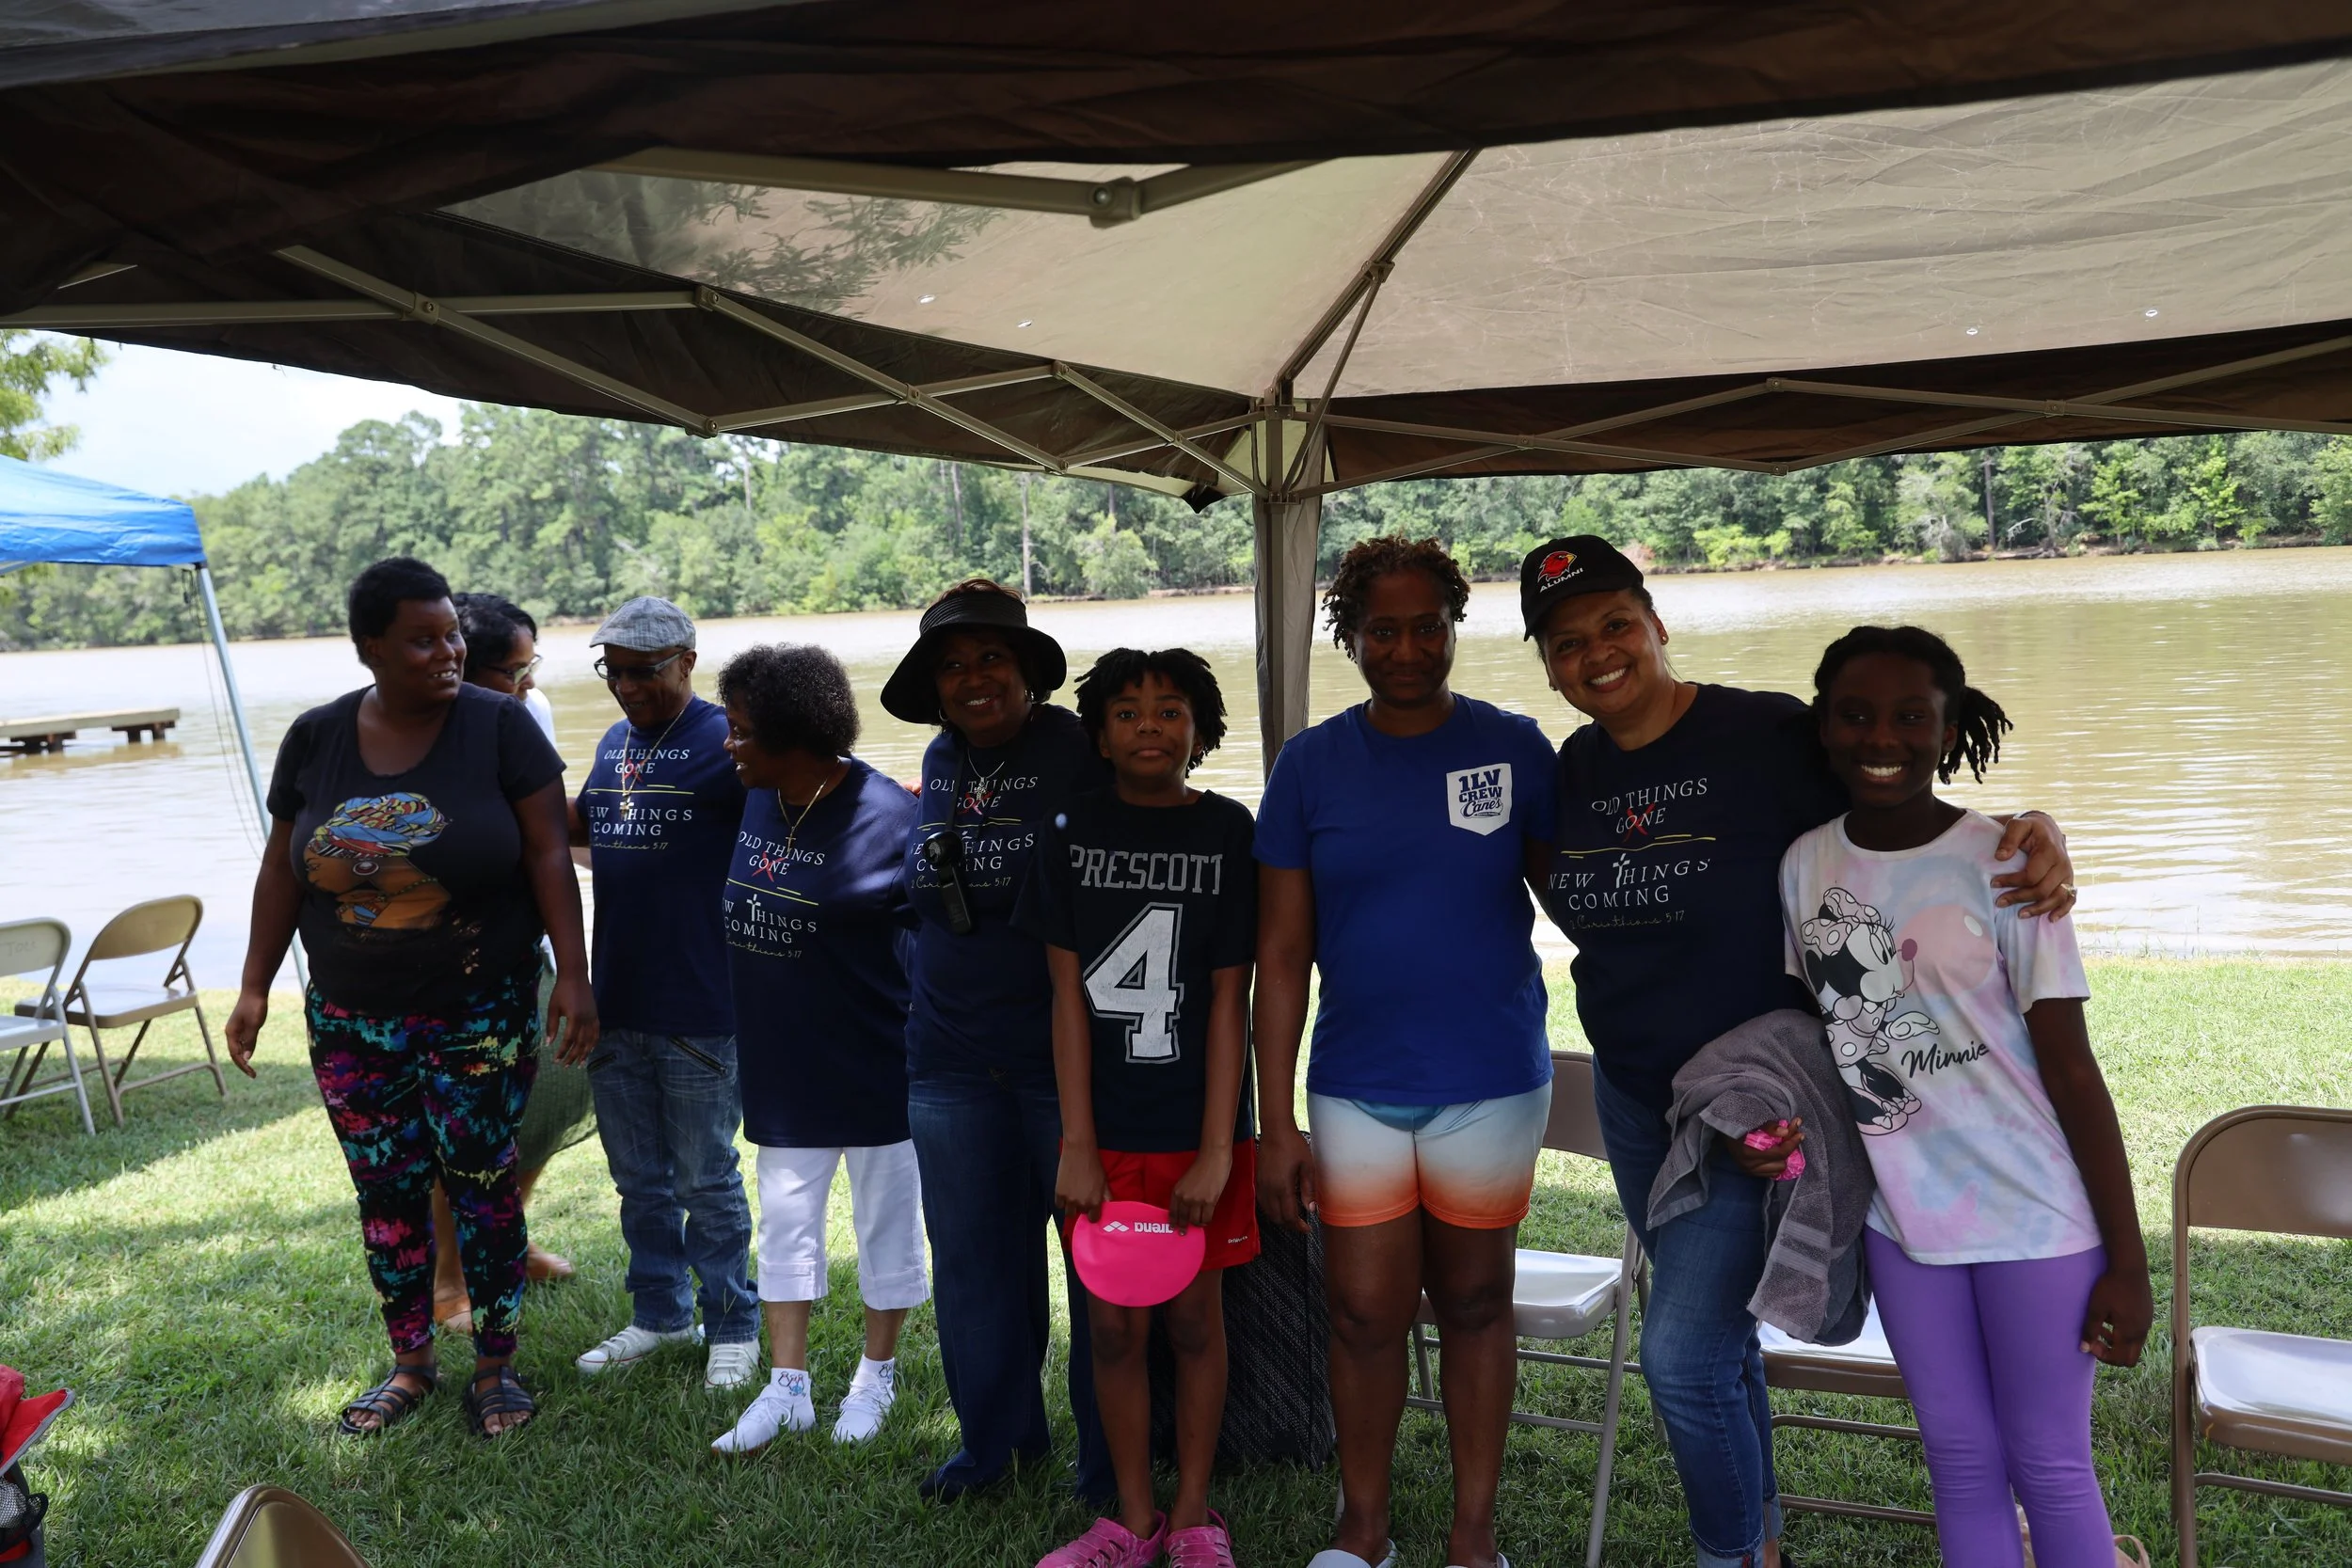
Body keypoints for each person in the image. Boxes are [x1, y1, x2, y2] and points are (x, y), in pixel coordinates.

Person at [1519, 534, 2079, 1568]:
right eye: (1565, 641)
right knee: (1718, 1340)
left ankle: (1732, 1554)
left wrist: (2026, 827)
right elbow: (1572, 893)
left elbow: (1897, 801)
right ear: (1546, 665)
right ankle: (1766, 1538)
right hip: (1642, 1101)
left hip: (1758, 1106)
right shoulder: (1576, 767)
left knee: (1680, 1356)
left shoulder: (1762, 731)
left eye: (1613, 624)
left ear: (1656, 622)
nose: (1596, 652)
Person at [1777, 626, 2148, 1568]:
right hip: (1904, 1225)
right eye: (1855, 714)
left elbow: (2071, 1068)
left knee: (2049, 1459)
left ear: (1947, 730)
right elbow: (1825, 1037)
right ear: (1822, 725)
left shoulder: (2004, 862)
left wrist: (2129, 1262)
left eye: (1911, 716)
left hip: (2037, 1220)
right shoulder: (1803, 864)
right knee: (1956, 1456)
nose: (1881, 737)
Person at [223, 556, 594, 1440]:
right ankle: (412, 1362)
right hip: (350, 1018)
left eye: (452, 634)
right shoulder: (316, 738)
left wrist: (574, 975)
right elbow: (283, 865)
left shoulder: (502, 728)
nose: (447, 651)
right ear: (370, 649)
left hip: (478, 1012)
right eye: (421, 639)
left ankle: (497, 1367)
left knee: (483, 1183)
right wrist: (251, 983)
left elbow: (549, 855)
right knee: (384, 1192)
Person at [1252, 537, 1560, 1568]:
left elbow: (1587, 899)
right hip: (1356, 1088)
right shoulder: (1309, 764)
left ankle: (1474, 1536)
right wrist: (1278, 1118)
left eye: (1427, 623)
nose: (1408, 646)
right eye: (1382, 627)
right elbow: (1283, 952)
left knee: (1476, 1300)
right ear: (1349, 636)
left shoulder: (1516, 746)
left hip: (1490, 1077)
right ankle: (1365, 1528)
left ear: (1451, 625)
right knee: (1363, 1311)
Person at [1021, 648, 1259, 1568]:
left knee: (1197, 1319)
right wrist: (1077, 1142)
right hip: (1104, 1131)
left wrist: (1215, 1150)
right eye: (1128, 711)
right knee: (1113, 1323)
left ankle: (1195, 1512)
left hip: (1194, 1129)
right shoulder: (1068, 828)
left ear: (1200, 727)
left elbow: (1231, 1002)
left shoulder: (1230, 830)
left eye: (1170, 710)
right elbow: (1066, 998)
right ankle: (1128, 1516)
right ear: (1098, 731)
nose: (1150, 726)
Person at [880, 578, 1112, 1505]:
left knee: (1099, 1272)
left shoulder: (1082, 750)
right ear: (933, 688)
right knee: (976, 1266)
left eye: (990, 658)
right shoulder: (939, 760)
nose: (973, 678)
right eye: (952, 664)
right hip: (947, 1059)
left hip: (1066, 1061)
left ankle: (1111, 1459)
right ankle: (996, 1450)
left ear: (1026, 671)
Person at [708, 642, 930, 1453]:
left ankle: (877, 1373)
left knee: (886, 1227)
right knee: (788, 1224)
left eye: (739, 730)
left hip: (878, 1060)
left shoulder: (891, 816)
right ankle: (789, 1385)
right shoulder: (756, 796)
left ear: (792, 736)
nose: (726, 743)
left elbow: (940, 937)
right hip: (781, 1062)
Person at [569, 596, 761, 1388]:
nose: (626, 686)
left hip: (699, 1005)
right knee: (637, 1179)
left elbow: (782, 838)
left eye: (643, 670)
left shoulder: (728, 741)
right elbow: (581, 835)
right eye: (612, 670)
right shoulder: (615, 742)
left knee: (705, 1178)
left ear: (687, 659)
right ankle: (660, 1312)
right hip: (617, 999)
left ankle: (734, 1323)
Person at [426, 591, 588, 1334]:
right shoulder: (418, 730)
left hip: (531, 942)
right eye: (512, 673)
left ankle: (508, 1239)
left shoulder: (533, 711)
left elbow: (549, 831)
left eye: (532, 669)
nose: (527, 687)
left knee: (552, 1093)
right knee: (465, 1122)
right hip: (449, 955)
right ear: (458, 664)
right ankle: (447, 1281)